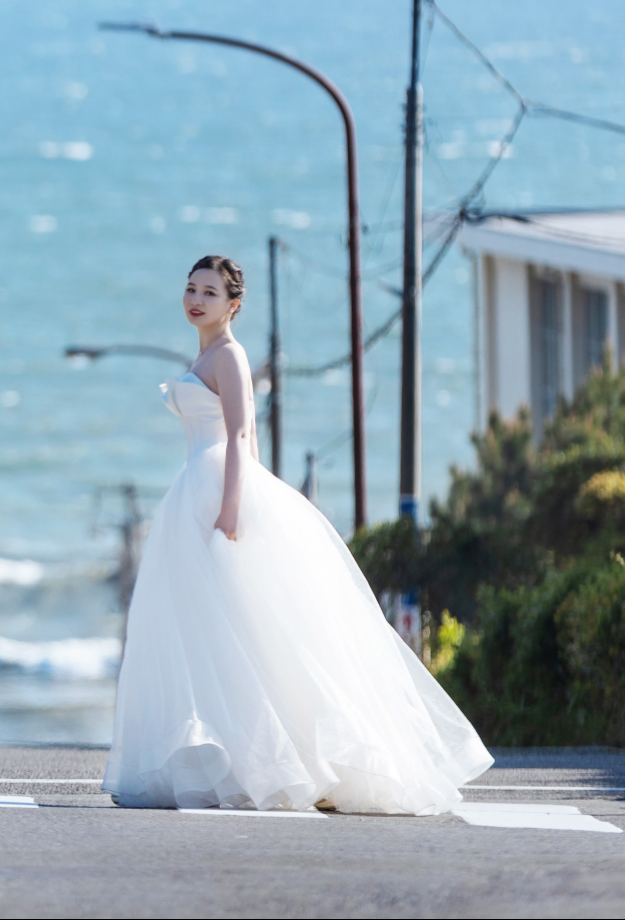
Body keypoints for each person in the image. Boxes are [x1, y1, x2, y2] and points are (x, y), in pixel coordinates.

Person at [102, 255, 492, 813]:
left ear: (233, 304)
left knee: (252, 631)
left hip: (217, 492)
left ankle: (298, 763)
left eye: (210, 292)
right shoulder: (205, 355)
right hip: (196, 490)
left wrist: (233, 509)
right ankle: (231, 761)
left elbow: (241, 435)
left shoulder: (230, 355)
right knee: (214, 633)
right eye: (191, 289)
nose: (196, 300)